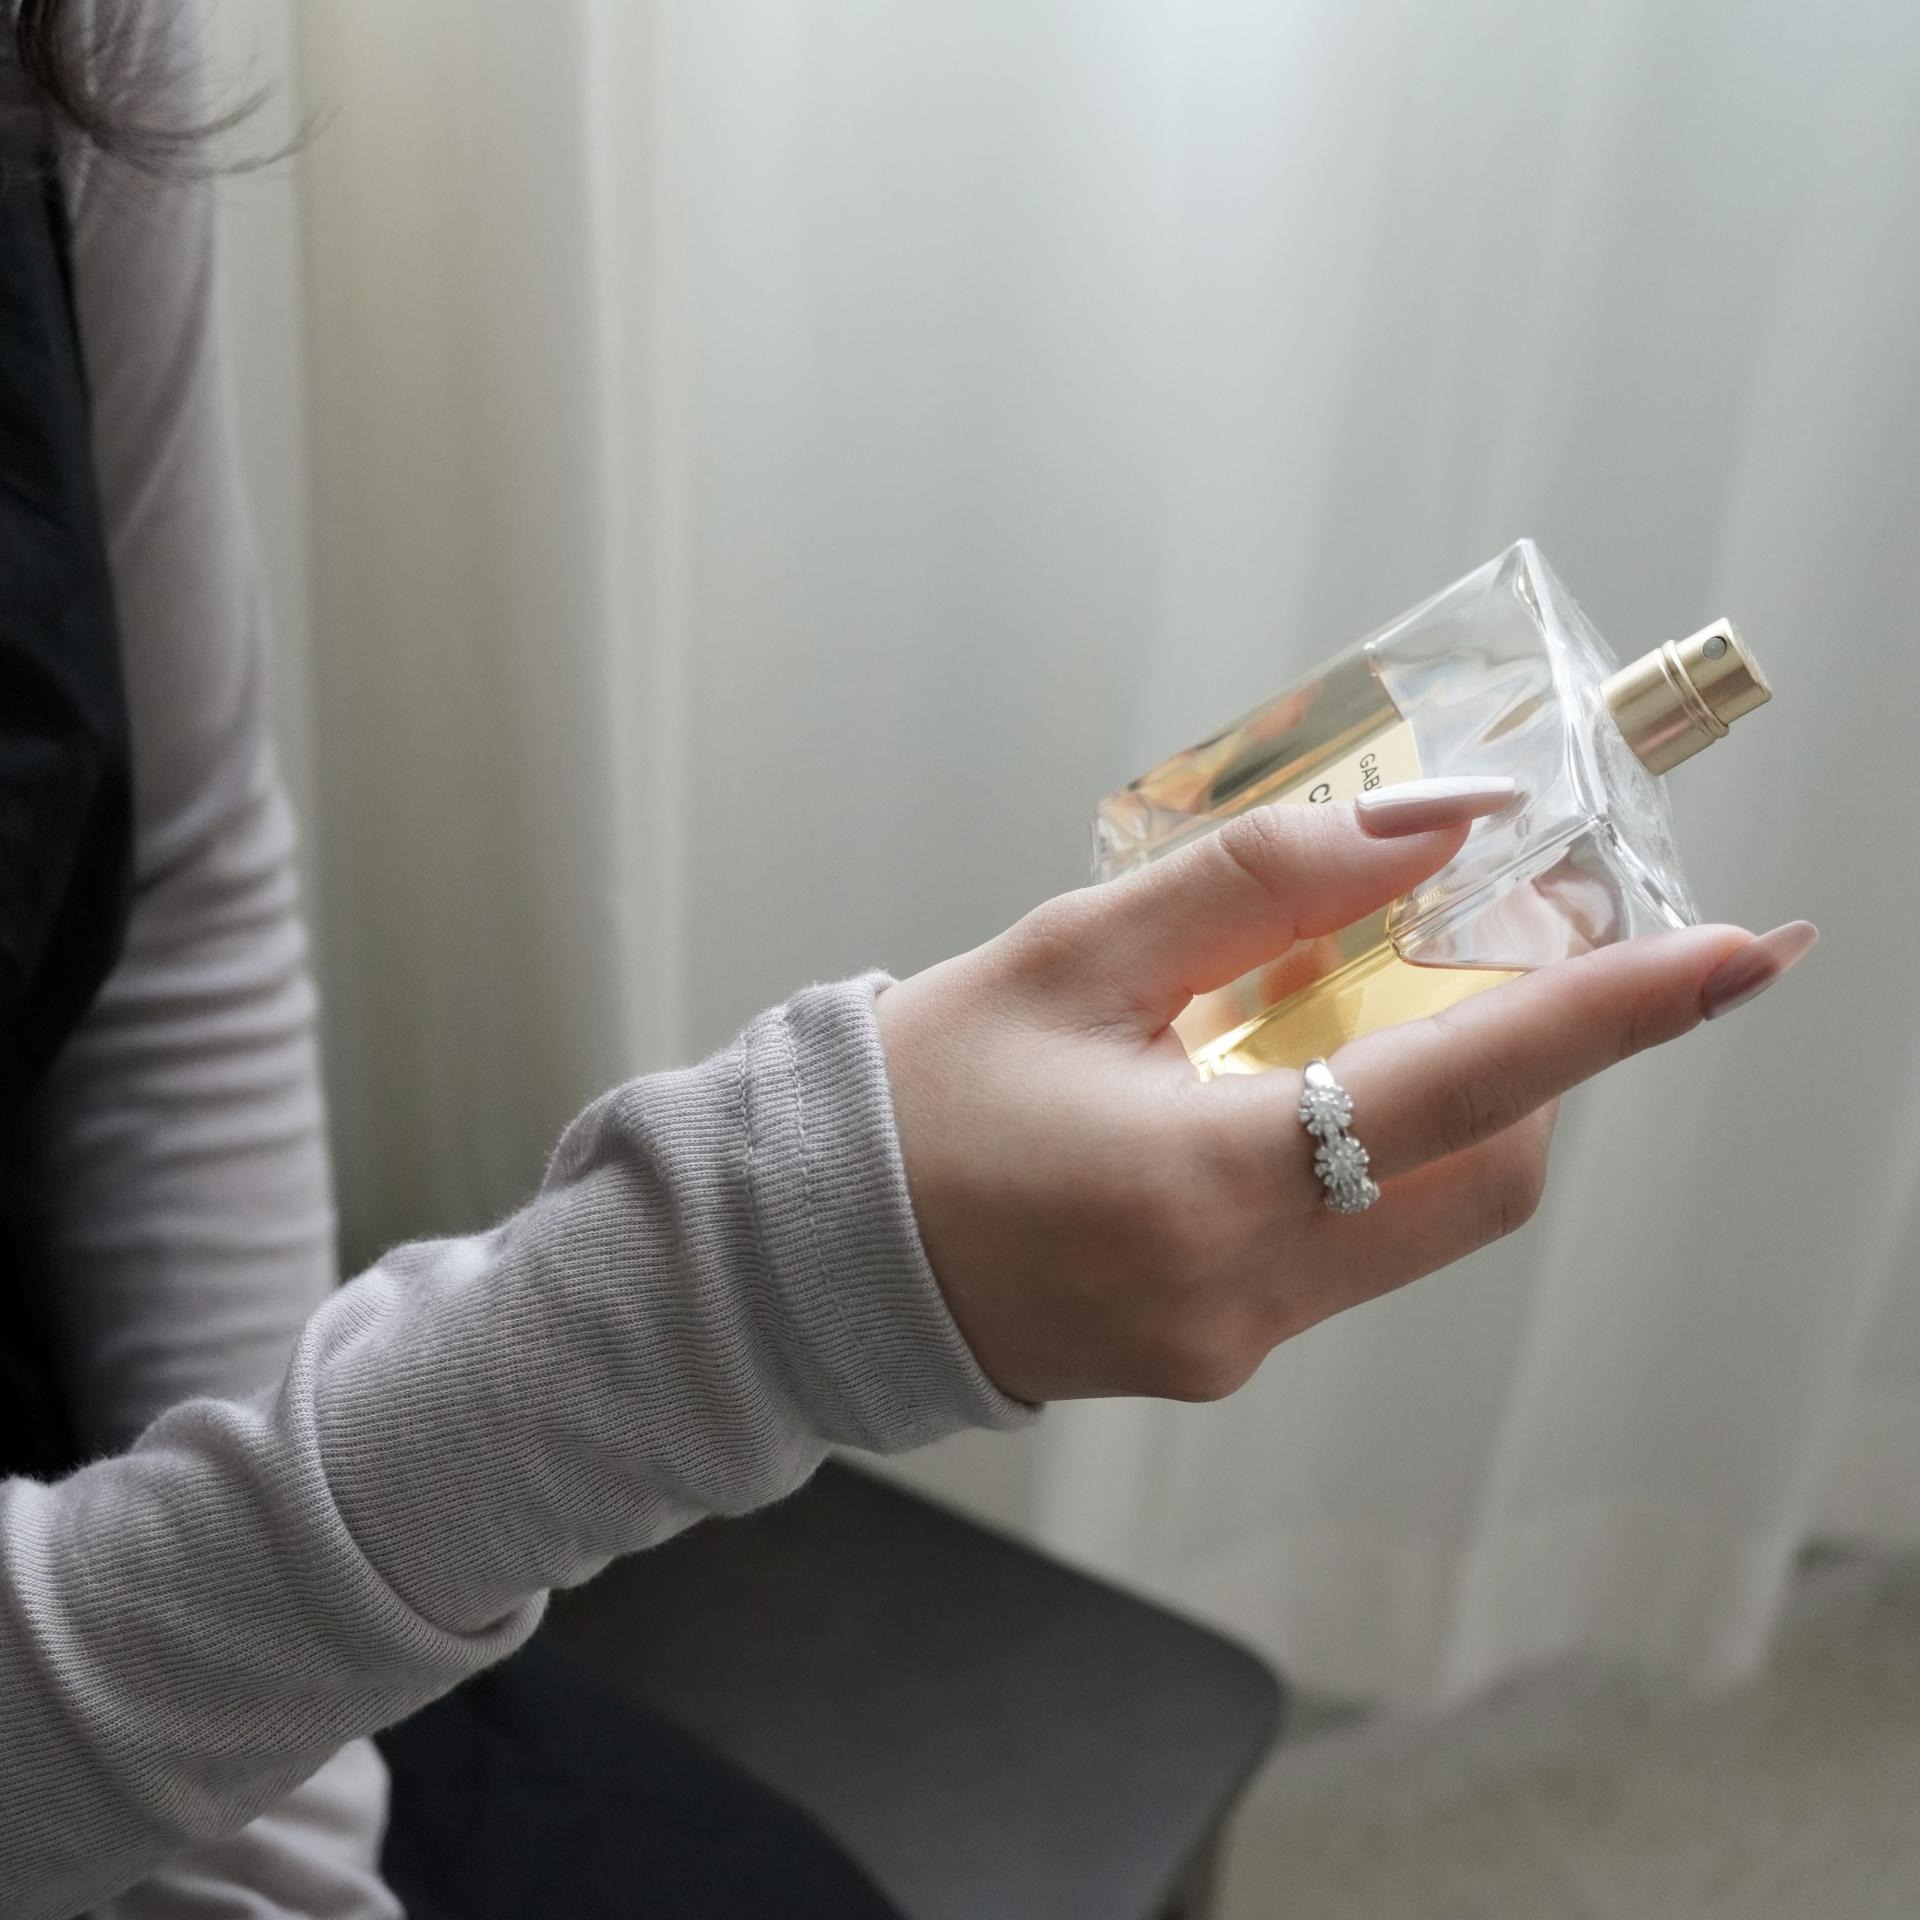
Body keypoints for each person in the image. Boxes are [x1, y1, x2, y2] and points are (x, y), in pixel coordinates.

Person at [0, 6, 1817, 1918]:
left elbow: (174, 876)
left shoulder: (75, 38)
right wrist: (773, 1281)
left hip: (200, 1521)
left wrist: (263, 1821)